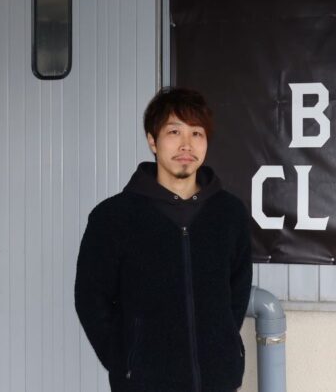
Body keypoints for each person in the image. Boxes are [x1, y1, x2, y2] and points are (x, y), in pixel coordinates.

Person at [75, 87, 252, 392]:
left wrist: (221, 349)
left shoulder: (230, 213)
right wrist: (126, 361)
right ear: (152, 140)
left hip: (218, 382)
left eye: (197, 133)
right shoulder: (113, 217)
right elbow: (91, 300)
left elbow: (236, 294)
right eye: (174, 131)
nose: (187, 144)